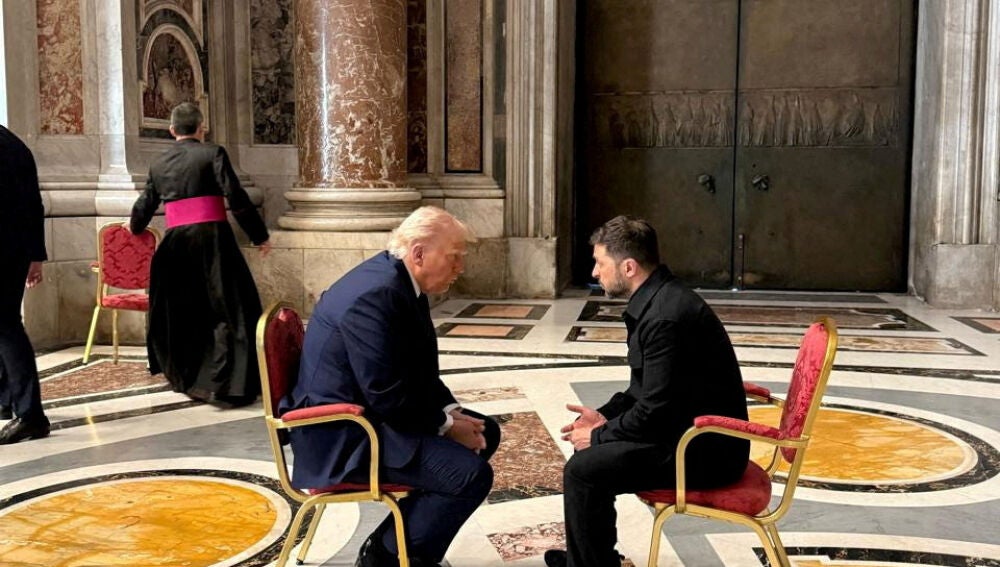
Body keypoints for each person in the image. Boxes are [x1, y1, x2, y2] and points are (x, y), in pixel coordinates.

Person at [281, 206, 501, 567]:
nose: (460, 267)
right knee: (469, 476)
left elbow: (416, 370)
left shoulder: (399, 281)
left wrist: (451, 412)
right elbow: (386, 393)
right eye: (454, 256)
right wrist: (446, 426)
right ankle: (385, 556)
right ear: (419, 253)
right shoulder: (376, 294)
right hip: (343, 436)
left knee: (485, 432)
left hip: (371, 415)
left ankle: (401, 542)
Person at [545, 216, 749, 567]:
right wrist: (604, 416)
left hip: (703, 451)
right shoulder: (659, 301)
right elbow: (644, 392)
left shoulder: (664, 318)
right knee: (587, 458)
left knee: (584, 470)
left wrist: (599, 436)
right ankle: (593, 560)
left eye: (600, 263)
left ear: (628, 267)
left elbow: (654, 410)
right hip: (684, 432)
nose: (595, 272)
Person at [130, 102, 271, 406]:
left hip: (175, 244)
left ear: (172, 130)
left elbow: (145, 203)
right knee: (229, 309)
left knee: (184, 311)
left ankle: (190, 378)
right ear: (201, 128)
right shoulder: (213, 153)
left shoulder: (158, 162)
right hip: (213, 240)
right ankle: (228, 384)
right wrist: (259, 235)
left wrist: (135, 228)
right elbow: (235, 196)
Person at [0, 124, 51, 444]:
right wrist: (35, 255)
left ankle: (30, 414)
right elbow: (35, 204)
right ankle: (7, 398)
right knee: (5, 324)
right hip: (16, 251)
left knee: (5, 326)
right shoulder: (15, 144)